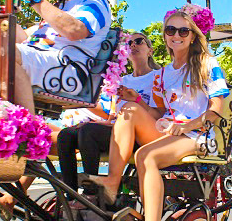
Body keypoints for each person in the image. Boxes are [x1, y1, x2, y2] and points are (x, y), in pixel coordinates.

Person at [82, 5, 228, 221]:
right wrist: (136, 100)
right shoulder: (162, 73)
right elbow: (158, 111)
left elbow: (216, 111)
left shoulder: (207, 64)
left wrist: (187, 125)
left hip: (197, 135)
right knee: (127, 109)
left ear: (193, 35)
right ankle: (112, 185)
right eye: (171, 29)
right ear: (164, 35)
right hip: (167, 130)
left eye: (184, 30)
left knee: (146, 156)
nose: (177, 35)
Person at [0, 0, 112, 221]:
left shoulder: (95, 2)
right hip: (40, 62)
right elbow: (20, 37)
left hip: (68, 70)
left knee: (5, 53)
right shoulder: (57, 9)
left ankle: (27, 135)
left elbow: (75, 30)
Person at [57, 33, 160, 199]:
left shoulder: (158, 77)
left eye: (139, 41)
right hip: (118, 131)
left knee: (88, 131)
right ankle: (70, 196)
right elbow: (114, 116)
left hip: (141, 135)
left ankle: (92, 195)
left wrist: (138, 101)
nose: (133, 45)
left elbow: (159, 116)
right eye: (129, 43)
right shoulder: (121, 80)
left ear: (150, 50)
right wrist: (101, 123)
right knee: (66, 135)